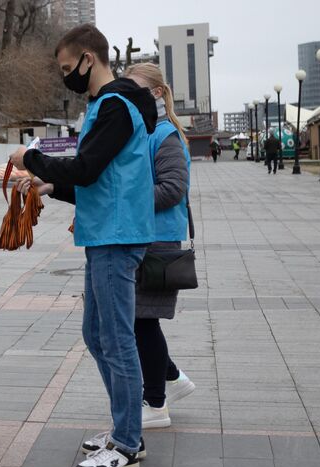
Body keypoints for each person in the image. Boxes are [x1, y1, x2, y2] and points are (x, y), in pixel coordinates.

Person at [9, 23, 156, 467]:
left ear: (89, 59)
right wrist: (51, 185)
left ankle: (128, 444)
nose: (66, 77)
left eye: (68, 68)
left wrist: (29, 158)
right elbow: (102, 178)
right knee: (97, 336)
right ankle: (125, 428)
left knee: (115, 339)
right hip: (105, 231)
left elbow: (88, 169)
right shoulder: (108, 106)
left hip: (116, 236)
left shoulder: (114, 105)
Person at [123, 63, 196, 430]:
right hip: (144, 236)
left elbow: (172, 189)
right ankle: (172, 379)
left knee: (142, 322)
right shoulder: (147, 132)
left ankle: (156, 404)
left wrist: (123, 199)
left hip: (158, 241)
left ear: (154, 92)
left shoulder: (164, 134)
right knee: (141, 320)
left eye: (135, 87)